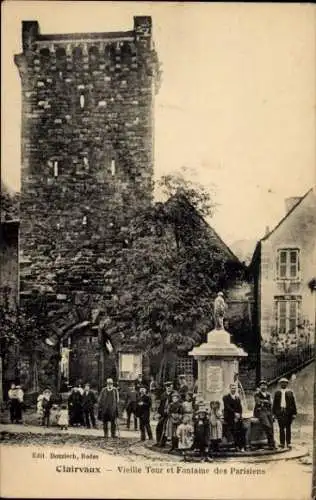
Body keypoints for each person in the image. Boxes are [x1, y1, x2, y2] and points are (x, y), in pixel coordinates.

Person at [272, 377, 297, 449]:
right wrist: (274, 414)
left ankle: (288, 443)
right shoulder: (277, 392)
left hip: (288, 412)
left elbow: (293, 403)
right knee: (281, 428)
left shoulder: (290, 392)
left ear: (287, 384)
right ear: (280, 384)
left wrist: (294, 413)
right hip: (280, 412)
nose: (283, 384)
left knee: (288, 428)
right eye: (282, 383)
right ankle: (282, 443)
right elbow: (275, 404)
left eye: (285, 383)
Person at [223, 383, 246, 451]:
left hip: (237, 416)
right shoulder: (225, 397)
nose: (234, 389)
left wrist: (240, 415)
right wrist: (235, 414)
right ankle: (237, 446)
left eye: (234, 388)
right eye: (232, 388)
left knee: (242, 429)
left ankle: (242, 446)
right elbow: (227, 407)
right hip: (229, 416)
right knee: (235, 429)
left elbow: (240, 408)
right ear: (229, 389)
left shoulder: (237, 398)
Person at [254, 380, 276, 449]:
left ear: (266, 386)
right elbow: (258, 402)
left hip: (268, 411)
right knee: (267, 426)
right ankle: (271, 444)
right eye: (262, 385)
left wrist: (273, 414)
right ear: (260, 387)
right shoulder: (257, 394)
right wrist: (265, 401)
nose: (263, 386)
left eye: (265, 385)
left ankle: (271, 445)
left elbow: (271, 403)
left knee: (271, 427)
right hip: (260, 411)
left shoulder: (268, 394)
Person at [156, 381, 174, 446]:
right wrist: (159, 413)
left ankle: (163, 442)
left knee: (166, 428)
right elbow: (161, 405)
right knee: (159, 426)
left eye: (170, 387)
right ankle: (158, 441)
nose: (169, 388)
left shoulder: (174, 395)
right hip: (163, 414)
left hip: (171, 415)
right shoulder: (163, 395)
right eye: (167, 387)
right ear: (166, 387)